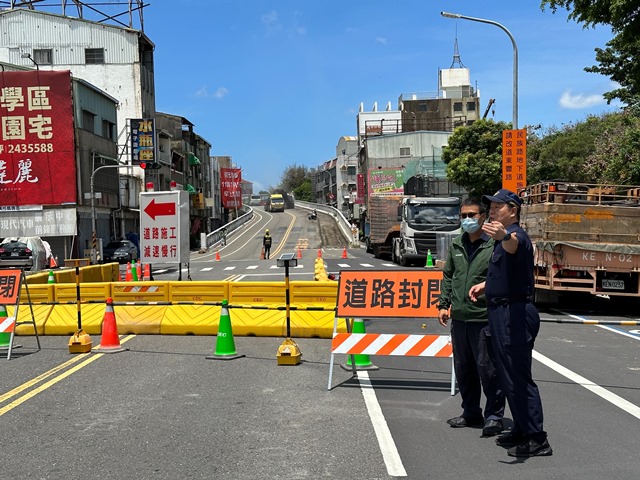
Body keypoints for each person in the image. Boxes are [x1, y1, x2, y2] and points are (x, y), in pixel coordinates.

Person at [469, 189, 552, 458]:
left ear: (513, 210)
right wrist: (486, 285)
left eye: (497, 207)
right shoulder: (498, 240)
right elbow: (508, 271)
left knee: (518, 377)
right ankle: (521, 428)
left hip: (514, 315)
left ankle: (537, 438)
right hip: (500, 311)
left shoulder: (516, 235)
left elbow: (513, 243)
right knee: (506, 377)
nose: (492, 210)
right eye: (490, 206)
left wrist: (504, 236)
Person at [437, 198, 505, 437]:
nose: (467, 219)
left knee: (488, 370)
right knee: (464, 369)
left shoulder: (495, 245)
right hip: (460, 319)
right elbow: (448, 277)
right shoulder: (457, 244)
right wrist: (443, 304)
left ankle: (494, 416)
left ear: (483, 217)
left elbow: (502, 277)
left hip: (484, 318)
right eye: (463, 215)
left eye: (472, 215)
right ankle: (471, 412)